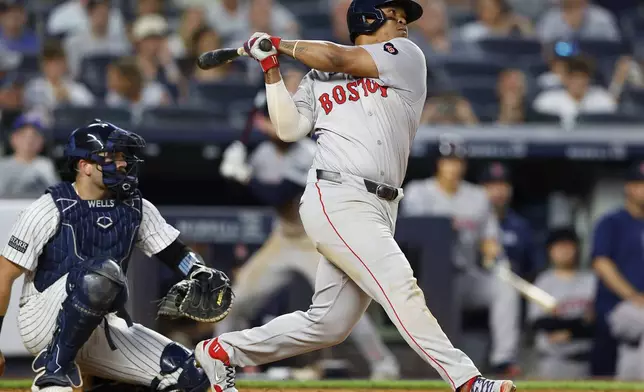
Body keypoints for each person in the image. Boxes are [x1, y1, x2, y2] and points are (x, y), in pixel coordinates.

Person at [194, 1, 516, 391]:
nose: (404, 25)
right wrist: (271, 69)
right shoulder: (317, 76)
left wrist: (277, 42)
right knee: (400, 286)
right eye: (396, 17)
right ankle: (466, 381)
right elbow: (288, 127)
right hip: (336, 193)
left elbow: (335, 55)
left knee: (328, 324)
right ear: (369, 19)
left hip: (381, 204)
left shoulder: (406, 56)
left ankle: (222, 351)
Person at [0, 120, 229, 391]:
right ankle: (55, 369)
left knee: (192, 376)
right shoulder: (49, 207)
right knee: (102, 273)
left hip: (102, 324)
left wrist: (197, 270)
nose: (121, 163)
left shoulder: (135, 206)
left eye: (123, 156)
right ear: (83, 166)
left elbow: (174, 252)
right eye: (111, 157)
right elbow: (4, 275)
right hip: (44, 321)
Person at [215, 89, 401, 380]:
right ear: (264, 123)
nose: (276, 125)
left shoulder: (309, 152)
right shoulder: (262, 153)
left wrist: (245, 177)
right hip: (282, 239)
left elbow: (279, 193)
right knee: (237, 299)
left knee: (342, 306)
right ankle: (220, 361)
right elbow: (239, 196)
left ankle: (384, 364)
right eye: (270, 119)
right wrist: (230, 174)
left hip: (316, 240)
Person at [402, 141, 521, 377]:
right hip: (427, 281)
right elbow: (409, 238)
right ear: (438, 164)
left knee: (505, 288)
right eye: (448, 161)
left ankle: (503, 359)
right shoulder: (419, 192)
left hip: (466, 275)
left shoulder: (477, 197)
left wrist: (491, 251)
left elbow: (490, 238)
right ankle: (442, 364)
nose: (453, 167)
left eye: (458, 161)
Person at [591, 161, 644, 380]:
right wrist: (634, 297)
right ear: (628, 188)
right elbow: (601, 264)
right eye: (640, 183)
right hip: (617, 307)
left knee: (634, 355)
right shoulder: (611, 222)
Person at [528, 228, 596, 380]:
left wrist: (568, 331)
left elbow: (596, 324)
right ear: (550, 251)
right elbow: (540, 322)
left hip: (584, 362)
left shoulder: (591, 281)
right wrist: (578, 324)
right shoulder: (543, 281)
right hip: (551, 362)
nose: (564, 251)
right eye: (559, 246)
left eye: (568, 245)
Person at [479, 162, 541, 280]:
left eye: (503, 185)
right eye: (492, 186)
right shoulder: (472, 224)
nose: (498, 191)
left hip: (512, 287)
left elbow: (531, 269)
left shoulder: (521, 227)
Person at [0, 112, 59, 198]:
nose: (29, 141)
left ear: (42, 141)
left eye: (35, 136)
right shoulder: (2, 165)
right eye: (23, 135)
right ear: (13, 138)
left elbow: (56, 195)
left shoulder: (45, 165)